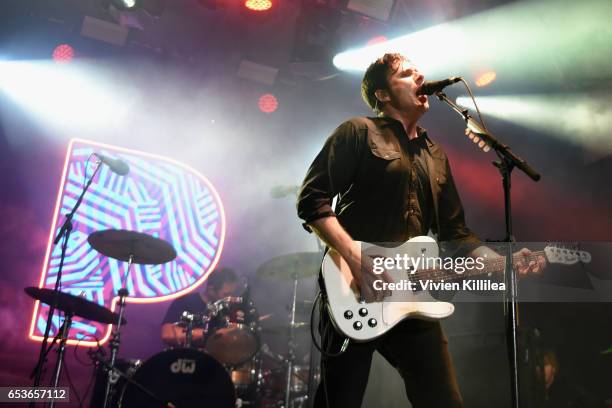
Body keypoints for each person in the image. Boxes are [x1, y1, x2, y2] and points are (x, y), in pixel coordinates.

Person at [296, 53, 545, 407]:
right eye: (406, 73)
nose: (420, 76)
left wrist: (505, 262)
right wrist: (355, 258)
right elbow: (311, 200)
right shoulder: (358, 131)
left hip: (412, 296)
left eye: (418, 72)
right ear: (382, 94)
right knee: (341, 399)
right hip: (354, 287)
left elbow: (457, 233)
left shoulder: (435, 155)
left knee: (443, 400)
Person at [161, 267, 239, 347]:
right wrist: (208, 333)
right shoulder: (185, 301)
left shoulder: (225, 310)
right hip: (184, 357)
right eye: (225, 294)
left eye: (231, 294)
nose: (230, 298)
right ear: (211, 289)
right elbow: (167, 334)